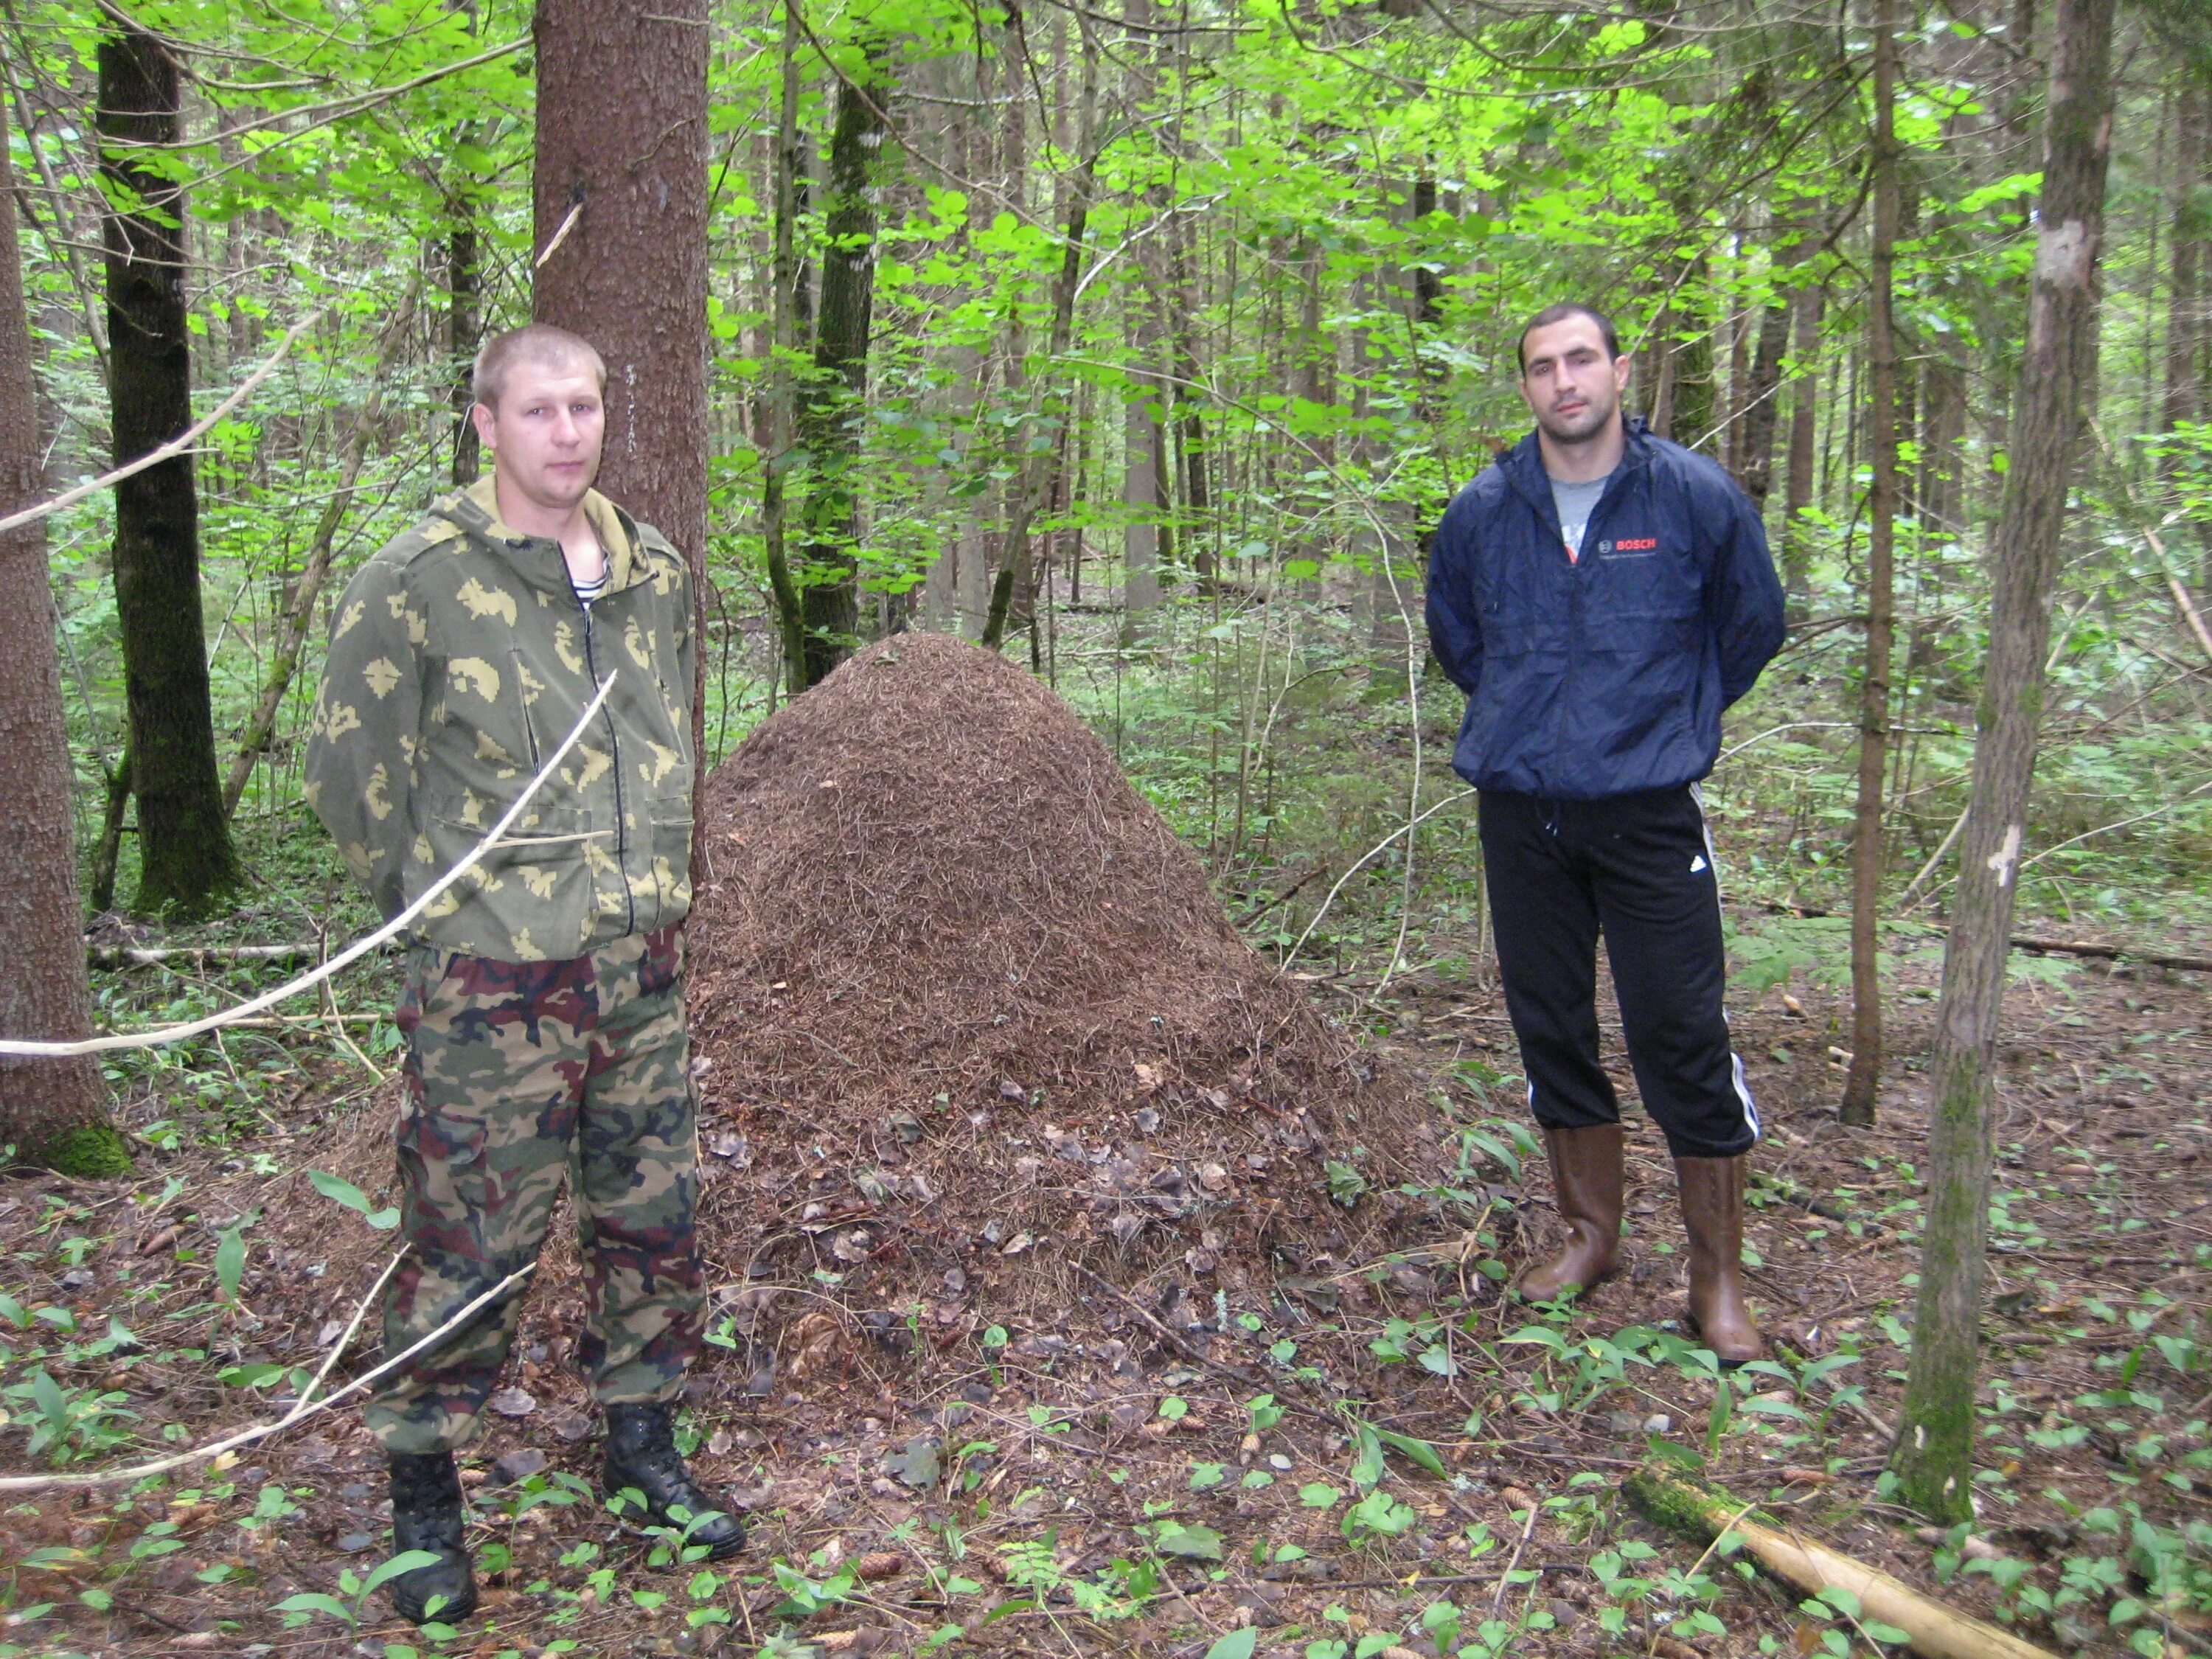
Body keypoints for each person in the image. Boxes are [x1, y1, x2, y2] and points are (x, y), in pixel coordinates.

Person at [305, 323, 740, 1627]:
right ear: (485, 422)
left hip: (639, 965)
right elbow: (349, 778)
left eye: (586, 405)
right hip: (491, 982)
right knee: (473, 1242)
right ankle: (425, 1500)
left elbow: (668, 740)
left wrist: (657, 881)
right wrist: (447, 908)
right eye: (539, 409)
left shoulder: (653, 570)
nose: (569, 430)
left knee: (653, 1222)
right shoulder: (421, 578)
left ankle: (642, 1448)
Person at [1424, 302, 1787, 1366]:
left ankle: (1717, 1279)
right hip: (1523, 810)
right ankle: (1591, 1235)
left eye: (1582, 359)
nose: (1564, 381)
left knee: (1680, 1028)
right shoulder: (1485, 511)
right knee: (1550, 1024)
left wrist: (1673, 715)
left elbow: (1752, 620)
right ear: (1526, 386)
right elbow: (1459, 632)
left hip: (1648, 811)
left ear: (1620, 371)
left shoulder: (1691, 498)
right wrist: (1530, 716)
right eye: (1542, 366)